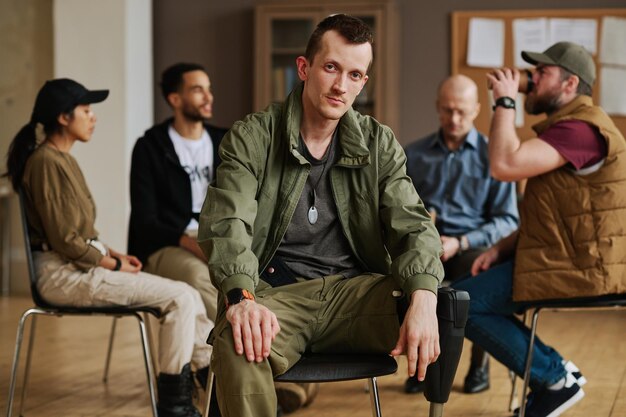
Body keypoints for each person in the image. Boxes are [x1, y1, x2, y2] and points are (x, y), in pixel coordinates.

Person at [198, 14, 444, 417]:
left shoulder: (378, 143)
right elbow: (227, 223)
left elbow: (414, 226)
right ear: (304, 68)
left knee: (443, 306)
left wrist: (423, 297)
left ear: (364, 82)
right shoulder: (253, 137)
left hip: (354, 297)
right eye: (331, 67)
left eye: (354, 74)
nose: (340, 86)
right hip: (277, 298)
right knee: (238, 335)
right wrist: (241, 297)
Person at [5, 78, 214, 417]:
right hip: (62, 275)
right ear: (63, 117)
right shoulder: (46, 163)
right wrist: (111, 265)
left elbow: (79, 233)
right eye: (86, 110)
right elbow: (66, 241)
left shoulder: (62, 159)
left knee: (186, 295)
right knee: (181, 297)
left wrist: (113, 254)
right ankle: (176, 405)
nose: (93, 117)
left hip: (75, 266)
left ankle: (212, 386)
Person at [453, 41, 626, 417]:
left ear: (569, 84)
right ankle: (557, 374)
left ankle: (553, 379)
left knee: (458, 306)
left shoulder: (581, 130)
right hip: (566, 255)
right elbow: (557, 214)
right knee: (460, 299)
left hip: (585, 266)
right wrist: (503, 247)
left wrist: (503, 101)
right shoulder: (568, 129)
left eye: (541, 73)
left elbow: (504, 165)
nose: (530, 79)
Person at [404, 74, 519, 394]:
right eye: (447, 110)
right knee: (414, 281)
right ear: (437, 108)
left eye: (462, 112)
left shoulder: (493, 155)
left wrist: (461, 242)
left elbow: (508, 220)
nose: (454, 119)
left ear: (477, 110)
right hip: (426, 246)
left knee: (480, 283)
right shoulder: (413, 155)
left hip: (472, 246)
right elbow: (397, 210)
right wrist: (423, 230)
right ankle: (421, 366)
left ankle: (478, 366)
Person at [128, 63, 226, 322]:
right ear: (175, 99)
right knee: (198, 277)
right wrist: (190, 244)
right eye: (197, 90)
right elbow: (145, 220)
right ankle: (240, 346)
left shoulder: (225, 142)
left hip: (217, 237)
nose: (208, 97)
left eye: (209, 89)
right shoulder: (151, 147)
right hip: (167, 244)